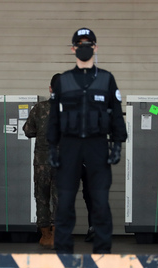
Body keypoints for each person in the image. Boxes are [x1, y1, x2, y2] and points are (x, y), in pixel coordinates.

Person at [47, 28, 127, 254]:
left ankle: (102, 253)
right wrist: (52, 147)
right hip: (70, 146)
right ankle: (63, 253)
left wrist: (118, 143)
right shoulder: (63, 81)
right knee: (65, 201)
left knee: (100, 200)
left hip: (97, 145)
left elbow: (115, 112)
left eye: (88, 44)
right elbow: (54, 117)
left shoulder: (106, 79)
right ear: (73, 48)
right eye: (79, 44)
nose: (84, 48)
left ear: (95, 47)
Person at [23, 73, 60, 249]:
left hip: (42, 162)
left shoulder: (39, 108)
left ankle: (45, 236)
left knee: (42, 198)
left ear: (50, 88)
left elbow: (28, 131)